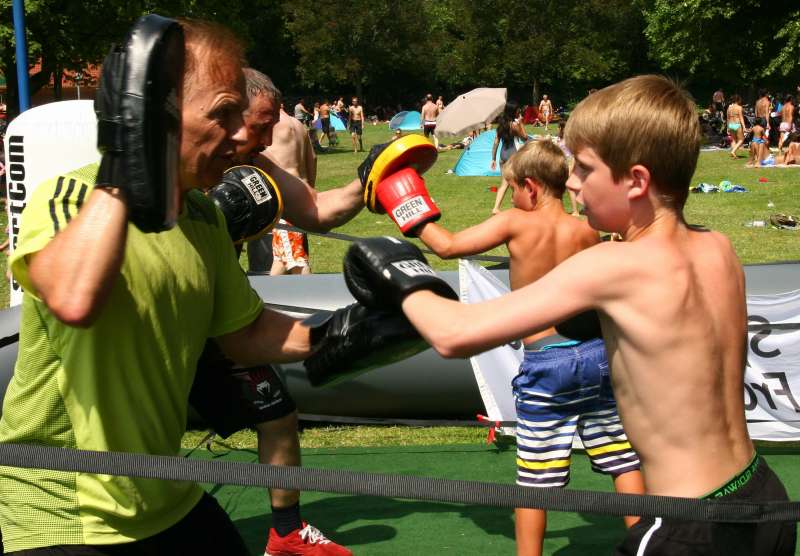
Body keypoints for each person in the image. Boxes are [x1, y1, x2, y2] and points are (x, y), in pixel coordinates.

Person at [346, 75, 796, 556]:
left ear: (636, 181)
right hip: (763, 498)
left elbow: (453, 335)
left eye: (584, 168)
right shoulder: (718, 249)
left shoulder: (611, 266)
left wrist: (399, 275)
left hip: (690, 523)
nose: (573, 182)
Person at [0, 17, 397, 555]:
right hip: (62, 509)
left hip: (164, 497)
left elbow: (246, 332)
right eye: (222, 114)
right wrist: (127, 160)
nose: (242, 135)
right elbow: (74, 298)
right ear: (155, 114)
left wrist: (352, 331)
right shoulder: (71, 196)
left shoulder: (203, 218)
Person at [414, 140, 644, 556]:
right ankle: (650, 543)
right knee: (622, 459)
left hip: (547, 362)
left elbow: (446, 245)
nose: (513, 196)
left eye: (513, 188)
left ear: (531, 187)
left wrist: (404, 199)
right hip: (597, 356)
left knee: (535, 480)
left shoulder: (516, 223)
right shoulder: (586, 229)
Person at [491, 101, 528, 214]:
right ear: (513, 111)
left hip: (503, 156)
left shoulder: (501, 125)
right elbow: (525, 137)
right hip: (513, 156)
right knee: (516, 183)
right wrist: (521, 123)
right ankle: (501, 207)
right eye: (517, 110)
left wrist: (493, 158)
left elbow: (496, 142)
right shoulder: (514, 125)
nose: (519, 112)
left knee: (505, 183)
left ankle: (504, 205)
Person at [727, 94, 747, 158]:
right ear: (738, 100)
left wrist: (727, 127)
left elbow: (728, 118)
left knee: (733, 140)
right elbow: (741, 118)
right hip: (737, 124)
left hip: (731, 124)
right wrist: (744, 127)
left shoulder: (729, 108)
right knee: (741, 139)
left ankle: (733, 153)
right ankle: (733, 151)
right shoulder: (739, 107)